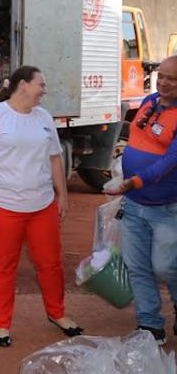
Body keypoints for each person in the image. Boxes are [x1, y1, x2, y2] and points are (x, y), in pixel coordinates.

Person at [0, 65, 82, 348]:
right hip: (4, 204)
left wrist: (61, 194)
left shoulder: (43, 117)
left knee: (50, 263)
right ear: (23, 85)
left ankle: (58, 314)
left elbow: (54, 158)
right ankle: (2, 325)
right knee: (4, 264)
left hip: (42, 205)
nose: (44, 90)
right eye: (41, 84)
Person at [104, 55, 177, 344]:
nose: (164, 82)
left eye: (172, 78)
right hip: (133, 205)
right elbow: (136, 141)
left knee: (165, 266)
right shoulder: (150, 101)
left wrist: (133, 181)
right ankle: (150, 326)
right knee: (138, 266)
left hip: (166, 208)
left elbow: (169, 162)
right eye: (162, 75)